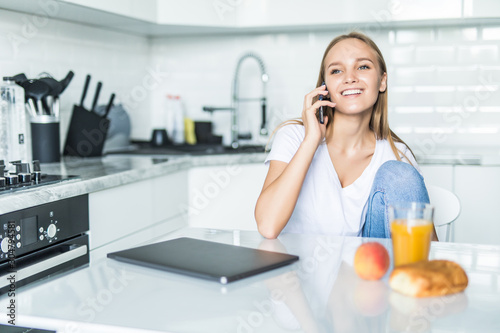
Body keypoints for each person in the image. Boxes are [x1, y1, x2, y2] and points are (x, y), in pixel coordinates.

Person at [255, 31, 438, 240]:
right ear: (324, 88)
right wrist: (311, 141)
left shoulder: (397, 155)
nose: (350, 78)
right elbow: (268, 226)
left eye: (362, 67)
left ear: (382, 81)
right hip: (298, 271)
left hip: (366, 269)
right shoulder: (294, 137)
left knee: (400, 175)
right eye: (336, 71)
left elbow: (428, 248)